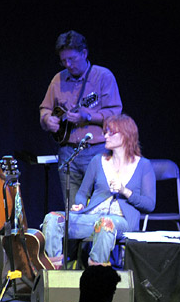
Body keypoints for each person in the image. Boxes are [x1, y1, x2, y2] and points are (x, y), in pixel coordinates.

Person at [42, 114, 155, 266]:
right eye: (105, 132)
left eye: (110, 132)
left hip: (122, 220)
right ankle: (53, 272)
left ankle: (97, 273)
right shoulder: (98, 161)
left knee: (105, 223)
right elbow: (82, 193)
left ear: (125, 135)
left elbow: (149, 204)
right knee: (53, 218)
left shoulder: (143, 165)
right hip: (92, 217)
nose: (105, 136)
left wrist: (125, 191)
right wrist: (80, 204)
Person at [39, 31, 123, 205]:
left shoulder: (103, 76)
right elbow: (45, 108)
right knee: (72, 209)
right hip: (68, 153)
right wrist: (47, 119)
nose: (68, 64)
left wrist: (88, 116)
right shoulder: (58, 79)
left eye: (72, 59)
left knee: (100, 206)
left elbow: (116, 113)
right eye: (63, 61)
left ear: (84, 53)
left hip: (98, 151)